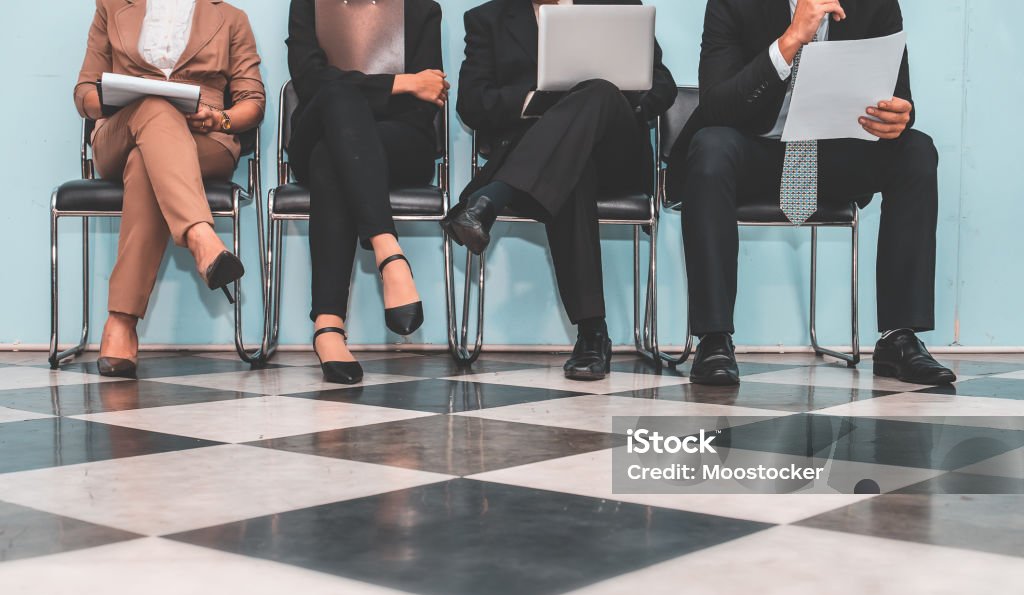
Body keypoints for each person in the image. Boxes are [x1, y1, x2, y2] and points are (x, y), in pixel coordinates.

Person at [665, 0, 955, 386]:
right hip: (756, 151)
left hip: (833, 156)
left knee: (916, 151)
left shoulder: (876, 4)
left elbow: (898, 96)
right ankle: (714, 339)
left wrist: (899, 116)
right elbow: (717, 105)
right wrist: (789, 40)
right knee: (711, 148)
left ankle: (898, 338)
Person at [443, 0, 676, 381]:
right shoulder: (487, 19)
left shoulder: (616, 8)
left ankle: (489, 200)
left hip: (616, 154)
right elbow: (472, 103)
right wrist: (538, 101)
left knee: (598, 91)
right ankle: (592, 334)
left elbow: (662, 85)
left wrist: (611, 101)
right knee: (572, 167)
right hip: (548, 164)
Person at [74, 0, 266, 378]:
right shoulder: (111, 7)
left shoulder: (231, 18)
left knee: (146, 163)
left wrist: (221, 117)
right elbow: (84, 92)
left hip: (203, 136)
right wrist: (120, 97)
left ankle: (121, 322)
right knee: (155, 107)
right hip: (122, 128)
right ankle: (200, 235)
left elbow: (253, 103)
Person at [287, 0, 446, 384]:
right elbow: (310, 82)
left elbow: (429, 97)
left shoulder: (422, 8)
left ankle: (328, 326)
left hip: (400, 141)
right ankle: (389, 253)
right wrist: (402, 82)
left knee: (334, 155)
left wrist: (362, 88)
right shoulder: (309, 3)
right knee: (337, 98)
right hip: (319, 126)